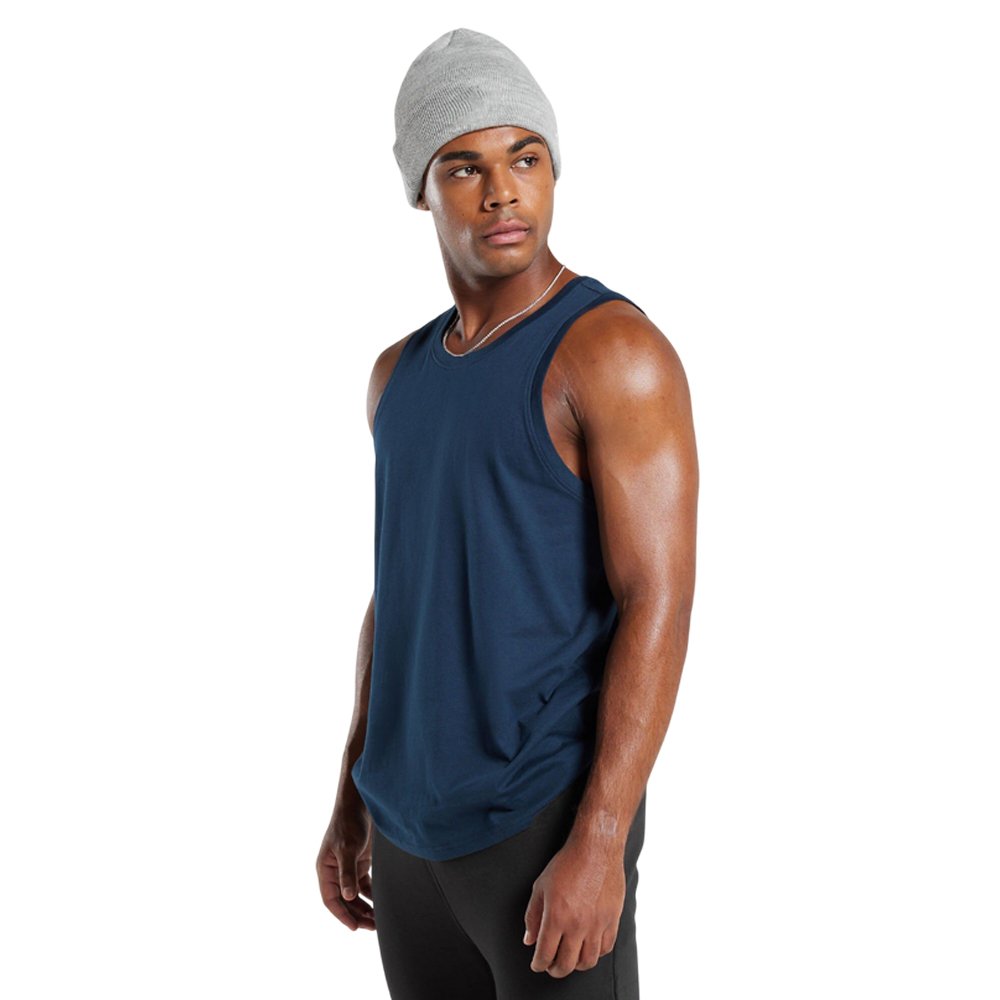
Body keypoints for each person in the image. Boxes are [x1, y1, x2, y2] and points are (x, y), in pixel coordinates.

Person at [317, 27, 698, 999]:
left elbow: (657, 598)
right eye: (464, 167)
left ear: (553, 170)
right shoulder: (396, 376)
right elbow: (400, 595)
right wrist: (352, 789)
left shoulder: (612, 353)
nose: (501, 192)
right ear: (422, 189)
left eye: (525, 158)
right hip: (407, 834)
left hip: (541, 826)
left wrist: (601, 836)